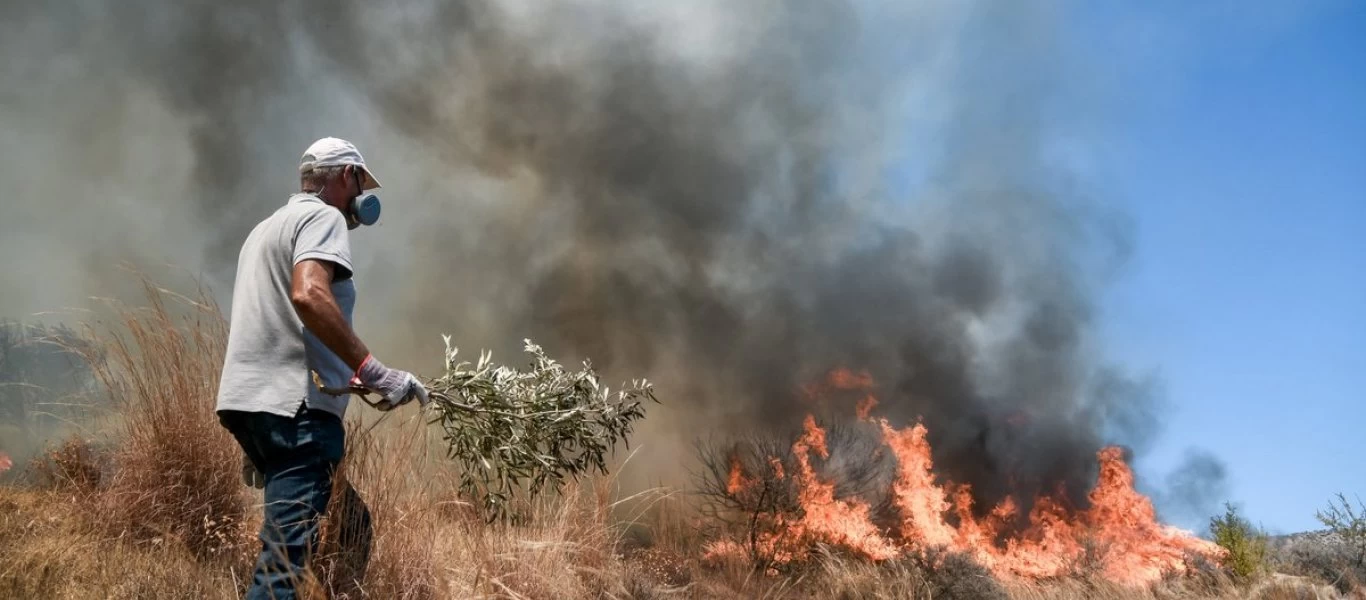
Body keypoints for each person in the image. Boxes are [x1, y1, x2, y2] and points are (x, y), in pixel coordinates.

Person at [216, 137, 428, 599]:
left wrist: (341, 377)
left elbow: (280, 325)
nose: (359, 201)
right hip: (296, 416)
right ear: (346, 176)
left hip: (249, 406)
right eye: (359, 184)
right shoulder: (324, 217)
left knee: (353, 524)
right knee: (282, 572)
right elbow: (308, 295)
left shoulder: (264, 230)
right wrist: (375, 372)